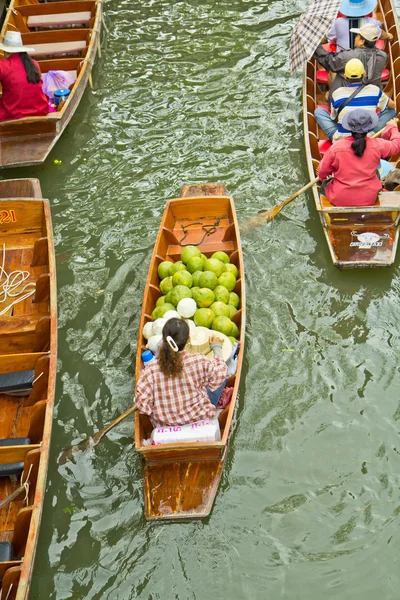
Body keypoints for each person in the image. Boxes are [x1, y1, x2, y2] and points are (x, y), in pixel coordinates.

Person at [135, 318, 228, 428]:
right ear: (188, 340)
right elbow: (220, 375)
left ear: (163, 339)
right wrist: (216, 347)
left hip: (165, 427)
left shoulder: (150, 371)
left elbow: (143, 407)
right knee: (224, 374)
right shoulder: (199, 361)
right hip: (200, 420)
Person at [318, 110, 400, 206]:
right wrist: (393, 127)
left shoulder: (336, 147)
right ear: (369, 129)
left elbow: (322, 173)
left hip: (339, 198)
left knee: (324, 183)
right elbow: (397, 145)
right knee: (376, 173)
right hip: (369, 198)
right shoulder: (378, 145)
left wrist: (323, 177)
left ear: (349, 129)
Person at [314, 58, 396, 141]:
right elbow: (393, 106)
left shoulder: (337, 93)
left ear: (345, 76)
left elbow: (334, 117)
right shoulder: (375, 90)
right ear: (364, 74)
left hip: (342, 140)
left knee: (318, 112)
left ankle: (339, 136)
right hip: (368, 136)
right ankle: (373, 134)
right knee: (392, 111)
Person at [314, 24, 387, 101]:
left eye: (357, 36)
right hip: (372, 99)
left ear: (362, 41)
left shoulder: (348, 56)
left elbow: (328, 61)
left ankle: (331, 97)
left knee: (334, 70)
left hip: (345, 101)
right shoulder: (383, 56)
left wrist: (314, 45)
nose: (355, 38)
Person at [0, 31, 49, 122]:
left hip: (13, 115)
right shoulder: (34, 63)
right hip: (40, 111)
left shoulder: (3, 65)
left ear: (5, 51)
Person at [327, 0, 392, 51]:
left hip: (342, 62)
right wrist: (389, 36)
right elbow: (383, 33)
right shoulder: (372, 22)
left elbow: (329, 38)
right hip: (366, 63)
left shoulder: (338, 22)